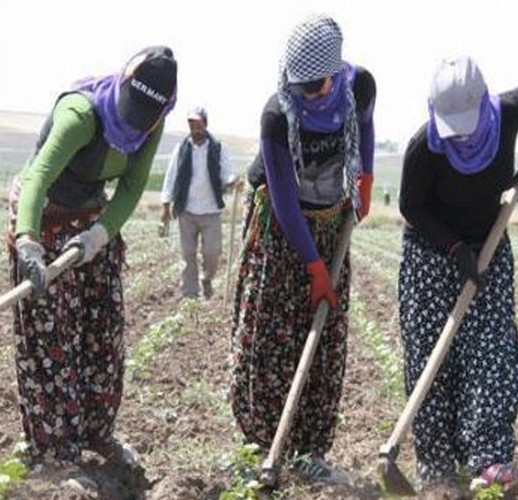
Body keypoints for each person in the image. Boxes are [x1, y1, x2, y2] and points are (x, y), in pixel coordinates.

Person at [7, 46, 177, 471]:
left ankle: (98, 435)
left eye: (145, 117)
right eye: (130, 108)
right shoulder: (81, 115)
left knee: (103, 335)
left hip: (90, 224)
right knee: (50, 343)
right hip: (43, 218)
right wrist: (28, 242)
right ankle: (54, 454)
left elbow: (132, 187)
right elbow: (38, 176)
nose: (134, 121)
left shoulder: (151, 124)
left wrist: (99, 235)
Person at [229, 13, 375, 485]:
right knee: (271, 333)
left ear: (335, 73)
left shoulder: (360, 88)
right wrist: (313, 266)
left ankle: (310, 450)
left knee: (325, 334)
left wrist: (365, 177)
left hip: (332, 220)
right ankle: (262, 445)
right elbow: (285, 198)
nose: (309, 94)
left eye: (317, 86)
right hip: (280, 226)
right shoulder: (278, 113)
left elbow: (366, 129)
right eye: (301, 86)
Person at [398, 56, 518, 498]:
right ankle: (437, 470)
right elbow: (412, 207)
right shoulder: (424, 147)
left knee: (492, 350)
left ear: (485, 104)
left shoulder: (506, 116)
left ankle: (490, 461)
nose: (461, 135)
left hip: (489, 247)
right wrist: (453, 248)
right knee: (431, 360)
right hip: (432, 253)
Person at [160, 106, 235, 299]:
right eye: (191, 124)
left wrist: (232, 181)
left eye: (198, 124)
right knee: (188, 255)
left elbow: (227, 173)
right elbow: (171, 177)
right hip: (186, 210)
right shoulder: (181, 149)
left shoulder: (218, 148)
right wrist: (166, 205)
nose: (195, 128)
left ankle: (207, 277)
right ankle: (190, 294)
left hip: (210, 211)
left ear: (205, 124)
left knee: (213, 253)